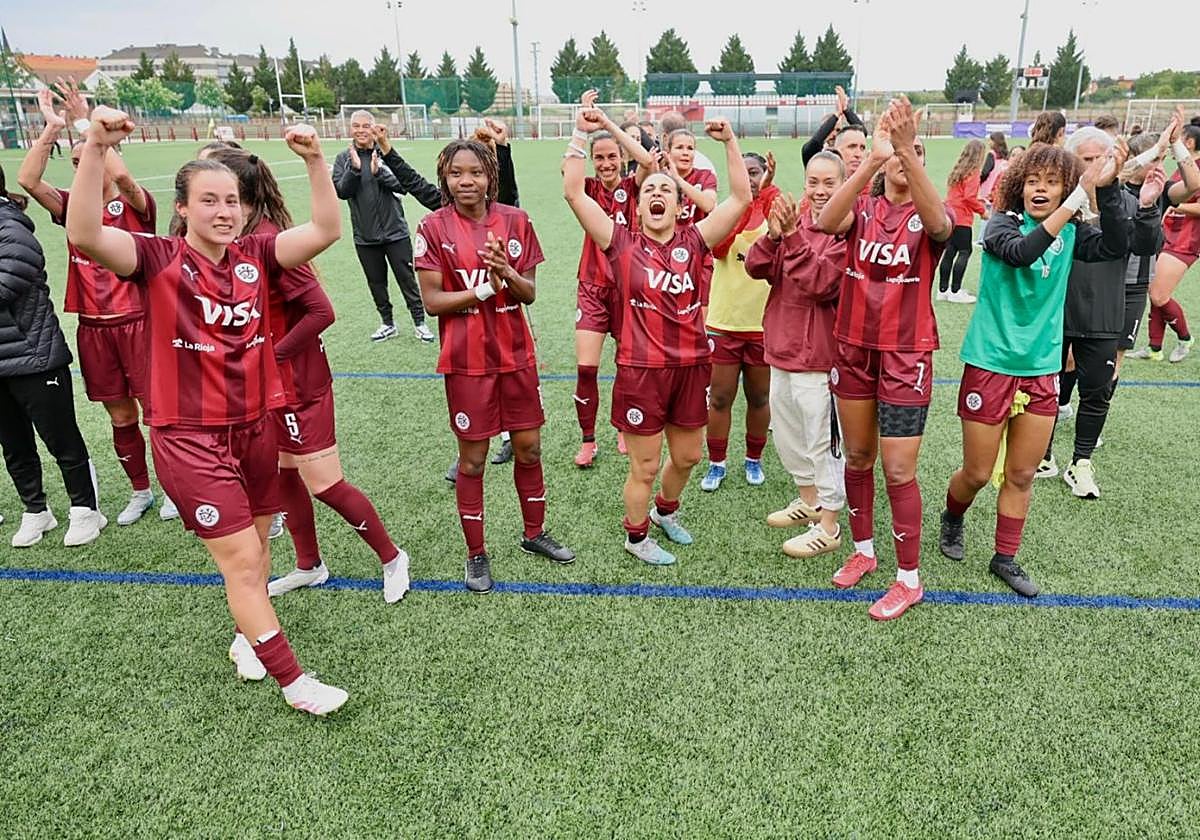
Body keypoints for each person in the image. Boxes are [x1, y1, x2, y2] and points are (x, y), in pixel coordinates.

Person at [67, 106, 349, 715]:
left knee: (257, 546)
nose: (224, 211)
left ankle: (248, 635)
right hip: (190, 437)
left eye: (233, 201)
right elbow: (85, 234)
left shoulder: (257, 256)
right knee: (244, 559)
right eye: (210, 201)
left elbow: (326, 230)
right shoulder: (157, 259)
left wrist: (315, 159)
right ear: (184, 208)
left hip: (256, 426)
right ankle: (296, 683)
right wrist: (93, 146)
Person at [201, 148, 411, 604]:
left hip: (299, 385)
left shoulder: (271, 244)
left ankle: (393, 557)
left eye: (222, 193)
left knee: (325, 484)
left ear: (242, 197)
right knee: (281, 477)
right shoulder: (227, 246)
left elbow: (321, 311)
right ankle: (309, 564)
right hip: (262, 388)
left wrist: (270, 355)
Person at [940, 141, 1134, 597]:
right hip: (990, 364)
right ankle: (953, 517)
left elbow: (1117, 246)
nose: (1040, 189)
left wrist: (1105, 191)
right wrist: (1074, 201)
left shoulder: (1073, 232)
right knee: (978, 473)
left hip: (1041, 367)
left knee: (1023, 473)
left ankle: (1004, 557)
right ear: (1018, 186)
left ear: (1064, 186)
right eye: (1033, 181)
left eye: (1052, 182)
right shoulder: (1001, 225)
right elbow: (1024, 252)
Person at [564, 112, 751, 566]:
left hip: (691, 368)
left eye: (666, 188)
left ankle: (666, 512)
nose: (658, 193)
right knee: (644, 466)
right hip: (642, 372)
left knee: (687, 457)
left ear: (677, 201)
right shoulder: (621, 243)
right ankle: (636, 535)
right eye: (650, 189)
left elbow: (741, 199)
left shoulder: (697, 238)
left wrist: (729, 144)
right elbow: (573, 192)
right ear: (638, 202)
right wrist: (578, 132)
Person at [415, 139, 575, 594]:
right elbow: (432, 302)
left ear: (491, 176)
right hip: (467, 363)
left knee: (528, 449)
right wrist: (483, 291)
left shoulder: (516, 221)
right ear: (445, 178)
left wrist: (507, 273)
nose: (467, 181)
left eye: (476, 172)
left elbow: (529, 294)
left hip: (516, 357)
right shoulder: (431, 227)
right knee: (473, 459)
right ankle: (476, 554)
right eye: (456, 173)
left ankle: (534, 533)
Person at [816, 96, 954, 621]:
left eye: (915, 151)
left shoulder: (930, 216)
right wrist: (872, 158)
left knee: (898, 470)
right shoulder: (864, 210)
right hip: (852, 348)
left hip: (906, 355)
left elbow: (941, 225)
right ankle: (864, 551)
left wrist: (905, 147)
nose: (903, 156)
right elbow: (828, 219)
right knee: (856, 457)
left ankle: (909, 579)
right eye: (899, 151)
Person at [17, 81, 178, 527]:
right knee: (120, 413)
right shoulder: (72, 209)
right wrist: (53, 127)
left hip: (140, 323)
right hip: (94, 328)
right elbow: (27, 180)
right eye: (73, 162)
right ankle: (140, 491)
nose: (81, 167)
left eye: (88, 158)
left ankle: (173, 490)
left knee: (157, 412)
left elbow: (124, 177)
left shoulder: (134, 205)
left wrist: (91, 130)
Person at [1037, 127, 1162, 498]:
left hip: (1104, 312)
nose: (1093, 165)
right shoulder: (1060, 201)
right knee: (1046, 388)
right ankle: (1041, 455)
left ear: (1113, 160)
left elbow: (1145, 245)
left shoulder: (1123, 199)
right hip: (1055, 311)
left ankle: (1081, 463)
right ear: (1073, 161)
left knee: (1096, 392)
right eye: (1086, 159)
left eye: (1100, 158)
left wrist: (1148, 207)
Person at [745, 154, 848, 559]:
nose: (820, 191)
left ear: (844, 184)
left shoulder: (845, 231)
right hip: (782, 349)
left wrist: (789, 236)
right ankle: (809, 502)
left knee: (821, 442)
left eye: (829, 183)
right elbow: (755, 267)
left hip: (819, 357)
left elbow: (820, 282)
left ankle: (830, 525)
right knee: (789, 439)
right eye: (813, 182)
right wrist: (773, 234)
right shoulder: (796, 222)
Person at [0, 163, 106, 548]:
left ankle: (86, 510)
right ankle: (36, 510)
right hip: (3, 363)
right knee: (13, 444)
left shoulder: (10, 227)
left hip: (34, 357)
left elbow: (6, 283)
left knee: (61, 440)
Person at [567, 92, 655, 468]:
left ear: (620, 157)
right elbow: (568, 183)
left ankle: (622, 426)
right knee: (586, 369)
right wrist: (579, 130)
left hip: (628, 286)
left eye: (611, 157)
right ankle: (588, 440)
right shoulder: (586, 188)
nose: (604, 164)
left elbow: (648, 159)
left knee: (625, 364)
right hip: (592, 287)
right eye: (598, 157)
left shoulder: (635, 187)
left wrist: (607, 125)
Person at [699, 151, 778, 491]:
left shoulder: (776, 210)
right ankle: (717, 463)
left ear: (766, 173)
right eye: (743, 173)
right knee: (719, 397)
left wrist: (765, 199)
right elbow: (718, 249)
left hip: (762, 325)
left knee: (760, 398)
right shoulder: (724, 213)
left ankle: (753, 459)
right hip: (723, 322)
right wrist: (748, 202)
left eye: (755, 171)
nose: (749, 177)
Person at [331, 110, 437, 343]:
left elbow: (403, 186)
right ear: (350, 129)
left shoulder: (385, 154)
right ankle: (387, 323)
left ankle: (419, 323)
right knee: (376, 283)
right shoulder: (343, 159)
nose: (360, 130)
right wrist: (356, 170)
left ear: (374, 128)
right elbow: (341, 192)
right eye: (356, 126)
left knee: (407, 279)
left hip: (396, 233)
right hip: (365, 237)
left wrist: (380, 174)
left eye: (365, 126)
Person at [1130, 121, 1200, 363]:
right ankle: (1154, 347)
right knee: (1155, 290)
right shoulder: (1180, 167)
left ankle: (1185, 337)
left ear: (1188, 142)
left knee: (1159, 294)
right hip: (1167, 236)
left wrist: (1175, 205)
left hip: (1185, 241)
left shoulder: (1194, 168)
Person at [937, 139, 988, 303]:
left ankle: (942, 289)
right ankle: (955, 291)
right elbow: (969, 197)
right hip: (962, 219)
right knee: (965, 252)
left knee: (950, 252)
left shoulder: (957, 171)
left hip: (950, 215)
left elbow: (960, 194)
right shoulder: (973, 172)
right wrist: (982, 211)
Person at [801, 85, 865, 166]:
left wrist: (846, 110)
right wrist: (837, 115)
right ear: (823, 130)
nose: (834, 134)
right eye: (830, 129)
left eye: (838, 130)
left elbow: (862, 132)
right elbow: (814, 143)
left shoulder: (844, 155)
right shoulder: (814, 155)